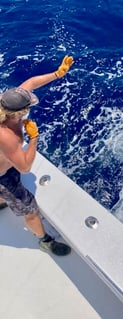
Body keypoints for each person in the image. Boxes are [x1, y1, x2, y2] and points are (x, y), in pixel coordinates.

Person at [0, 56, 74, 256]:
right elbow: (25, 167)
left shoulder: (6, 104)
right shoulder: (7, 137)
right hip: (2, 175)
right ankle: (45, 241)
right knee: (30, 210)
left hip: (5, 164)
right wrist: (34, 138)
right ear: (19, 112)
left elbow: (31, 83)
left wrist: (58, 73)